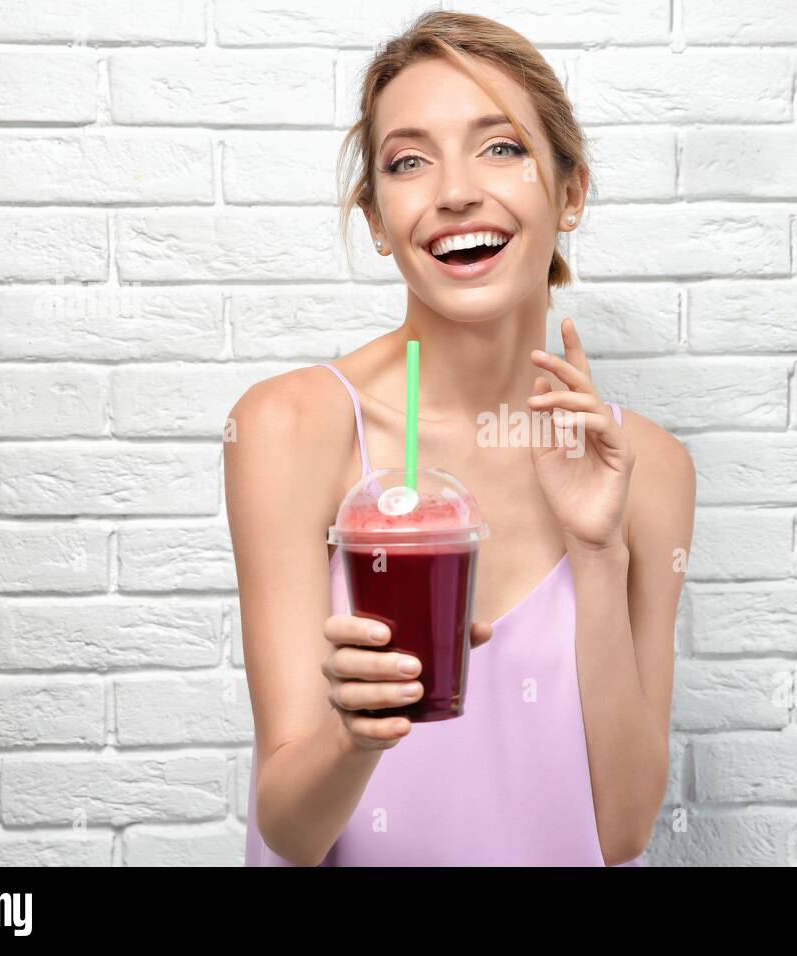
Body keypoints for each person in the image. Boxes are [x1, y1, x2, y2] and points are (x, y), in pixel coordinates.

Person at [224, 10, 695, 866]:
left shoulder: (649, 469)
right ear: (376, 217)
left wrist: (597, 551)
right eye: (409, 161)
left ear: (571, 192)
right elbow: (290, 831)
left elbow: (622, 830)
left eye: (502, 147)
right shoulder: (292, 428)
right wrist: (356, 738)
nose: (453, 192)